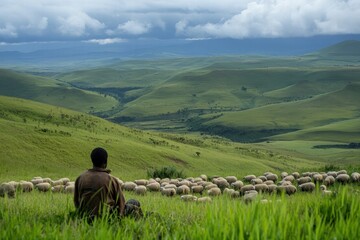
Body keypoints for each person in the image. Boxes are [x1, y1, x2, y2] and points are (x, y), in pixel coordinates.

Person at [74, 147, 142, 221]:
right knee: (134, 202)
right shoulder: (111, 180)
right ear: (105, 162)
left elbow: (76, 201)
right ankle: (139, 221)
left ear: (92, 161)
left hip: (86, 216)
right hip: (107, 216)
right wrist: (120, 218)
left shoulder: (80, 178)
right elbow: (121, 203)